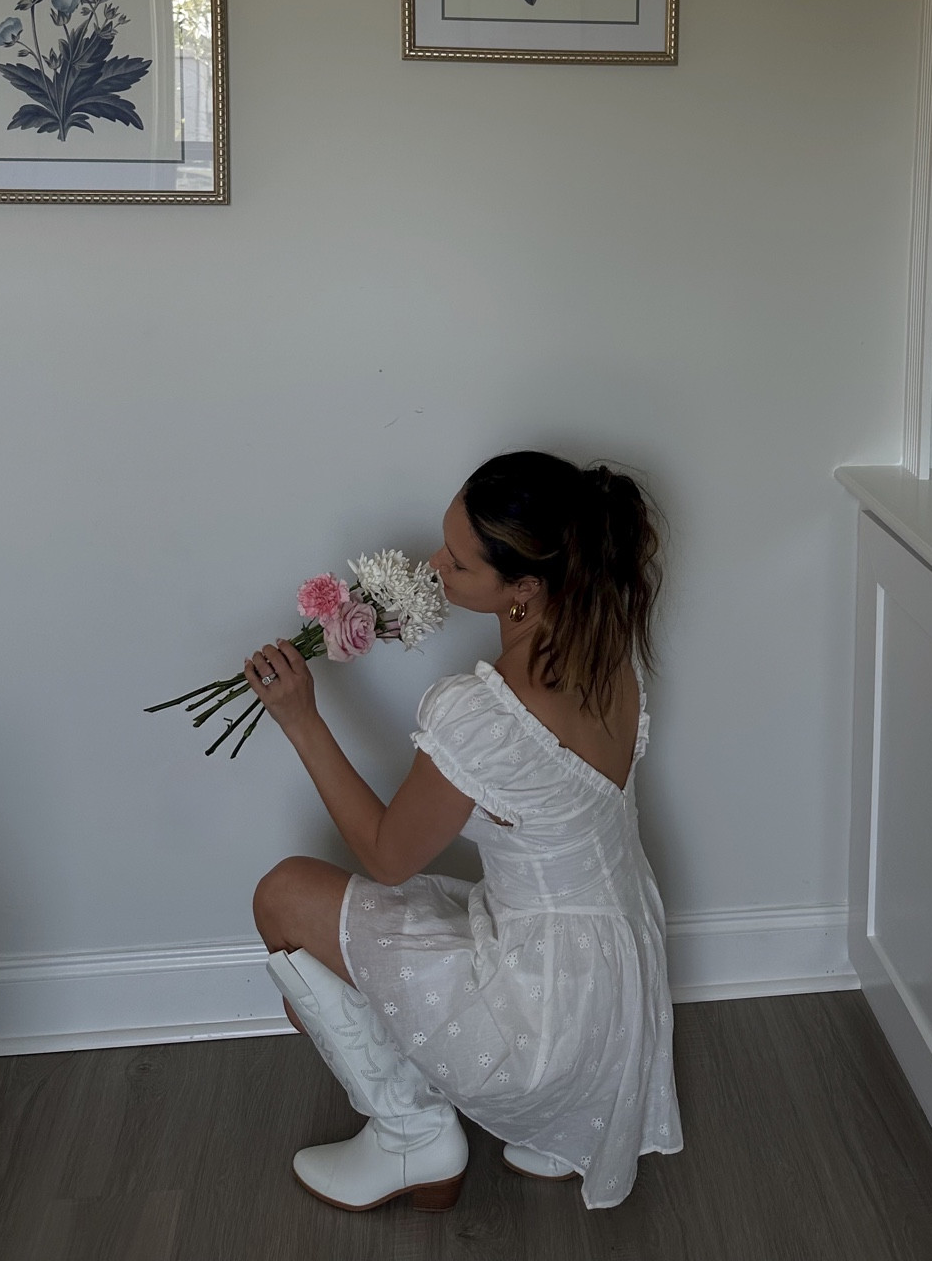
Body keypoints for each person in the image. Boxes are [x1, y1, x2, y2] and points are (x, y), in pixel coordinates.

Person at [246, 450, 681, 1214]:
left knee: (283, 897)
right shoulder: (610, 653)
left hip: (546, 1024)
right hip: (618, 1001)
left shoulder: (480, 714)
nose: (435, 566)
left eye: (459, 562)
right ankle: (554, 1133)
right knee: (441, 909)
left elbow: (385, 857)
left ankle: (411, 1137)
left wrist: (301, 719)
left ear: (525, 587)